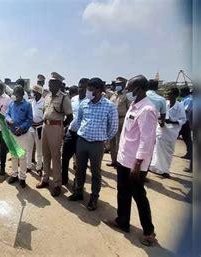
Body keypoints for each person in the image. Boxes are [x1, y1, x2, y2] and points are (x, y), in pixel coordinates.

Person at [103, 75, 158, 246]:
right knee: (123, 192)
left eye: (129, 88)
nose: (126, 91)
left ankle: (148, 231)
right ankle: (122, 221)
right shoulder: (135, 105)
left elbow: (146, 140)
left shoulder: (147, 109)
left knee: (139, 196)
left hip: (135, 164)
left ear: (139, 89)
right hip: (124, 159)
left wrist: (137, 165)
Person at [68, 78, 118, 211]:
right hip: (82, 141)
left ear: (98, 91)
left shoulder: (109, 106)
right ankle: (79, 192)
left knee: (96, 172)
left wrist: (104, 139)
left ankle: (94, 197)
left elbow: (113, 127)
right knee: (80, 168)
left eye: (90, 89)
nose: (87, 91)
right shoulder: (84, 103)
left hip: (97, 144)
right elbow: (79, 121)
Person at [36, 72, 73, 197]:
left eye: (52, 83)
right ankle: (45, 179)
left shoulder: (64, 98)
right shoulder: (47, 96)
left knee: (55, 156)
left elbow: (70, 116)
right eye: (49, 82)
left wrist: (61, 126)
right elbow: (45, 111)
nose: (49, 85)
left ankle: (57, 184)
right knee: (45, 154)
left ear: (58, 84)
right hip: (45, 126)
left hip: (56, 127)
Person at [149, 87, 186, 178]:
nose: (167, 95)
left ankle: (165, 170)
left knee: (168, 152)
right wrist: (161, 121)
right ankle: (156, 168)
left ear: (174, 95)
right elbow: (158, 114)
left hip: (171, 132)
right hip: (161, 130)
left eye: (169, 93)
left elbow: (183, 119)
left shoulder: (180, 106)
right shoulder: (165, 103)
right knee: (157, 150)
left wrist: (172, 122)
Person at [61, 78, 89, 186]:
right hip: (70, 133)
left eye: (84, 87)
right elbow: (67, 114)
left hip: (82, 136)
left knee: (80, 162)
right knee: (65, 157)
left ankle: (77, 184)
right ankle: (64, 179)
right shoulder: (73, 99)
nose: (81, 89)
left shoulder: (90, 101)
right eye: (80, 86)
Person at [5, 85, 33, 188]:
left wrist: (22, 127)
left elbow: (30, 120)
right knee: (13, 155)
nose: (13, 96)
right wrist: (8, 120)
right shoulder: (11, 103)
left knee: (22, 156)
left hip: (23, 135)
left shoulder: (27, 105)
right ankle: (14, 174)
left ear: (21, 95)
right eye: (13, 94)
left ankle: (22, 178)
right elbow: (6, 114)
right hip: (12, 134)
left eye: (15, 94)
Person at [107, 77, 131, 167]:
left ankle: (120, 162)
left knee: (120, 142)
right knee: (112, 142)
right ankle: (113, 160)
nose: (117, 86)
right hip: (112, 120)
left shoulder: (127, 96)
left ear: (124, 85)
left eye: (119, 84)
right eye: (116, 84)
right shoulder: (113, 95)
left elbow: (129, 109)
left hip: (122, 120)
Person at [26, 83, 45, 175]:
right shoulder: (31, 101)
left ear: (38, 92)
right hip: (31, 127)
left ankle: (39, 167)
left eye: (33, 91)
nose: (32, 93)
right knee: (29, 148)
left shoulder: (44, 102)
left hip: (39, 127)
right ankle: (28, 166)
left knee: (39, 149)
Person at [179, 86, 192, 160]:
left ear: (185, 92)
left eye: (181, 92)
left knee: (187, 138)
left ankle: (190, 153)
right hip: (182, 121)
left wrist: (178, 111)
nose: (180, 93)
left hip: (186, 122)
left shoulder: (189, 99)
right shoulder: (184, 99)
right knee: (185, 138)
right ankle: (189, 153)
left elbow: (186, 110)